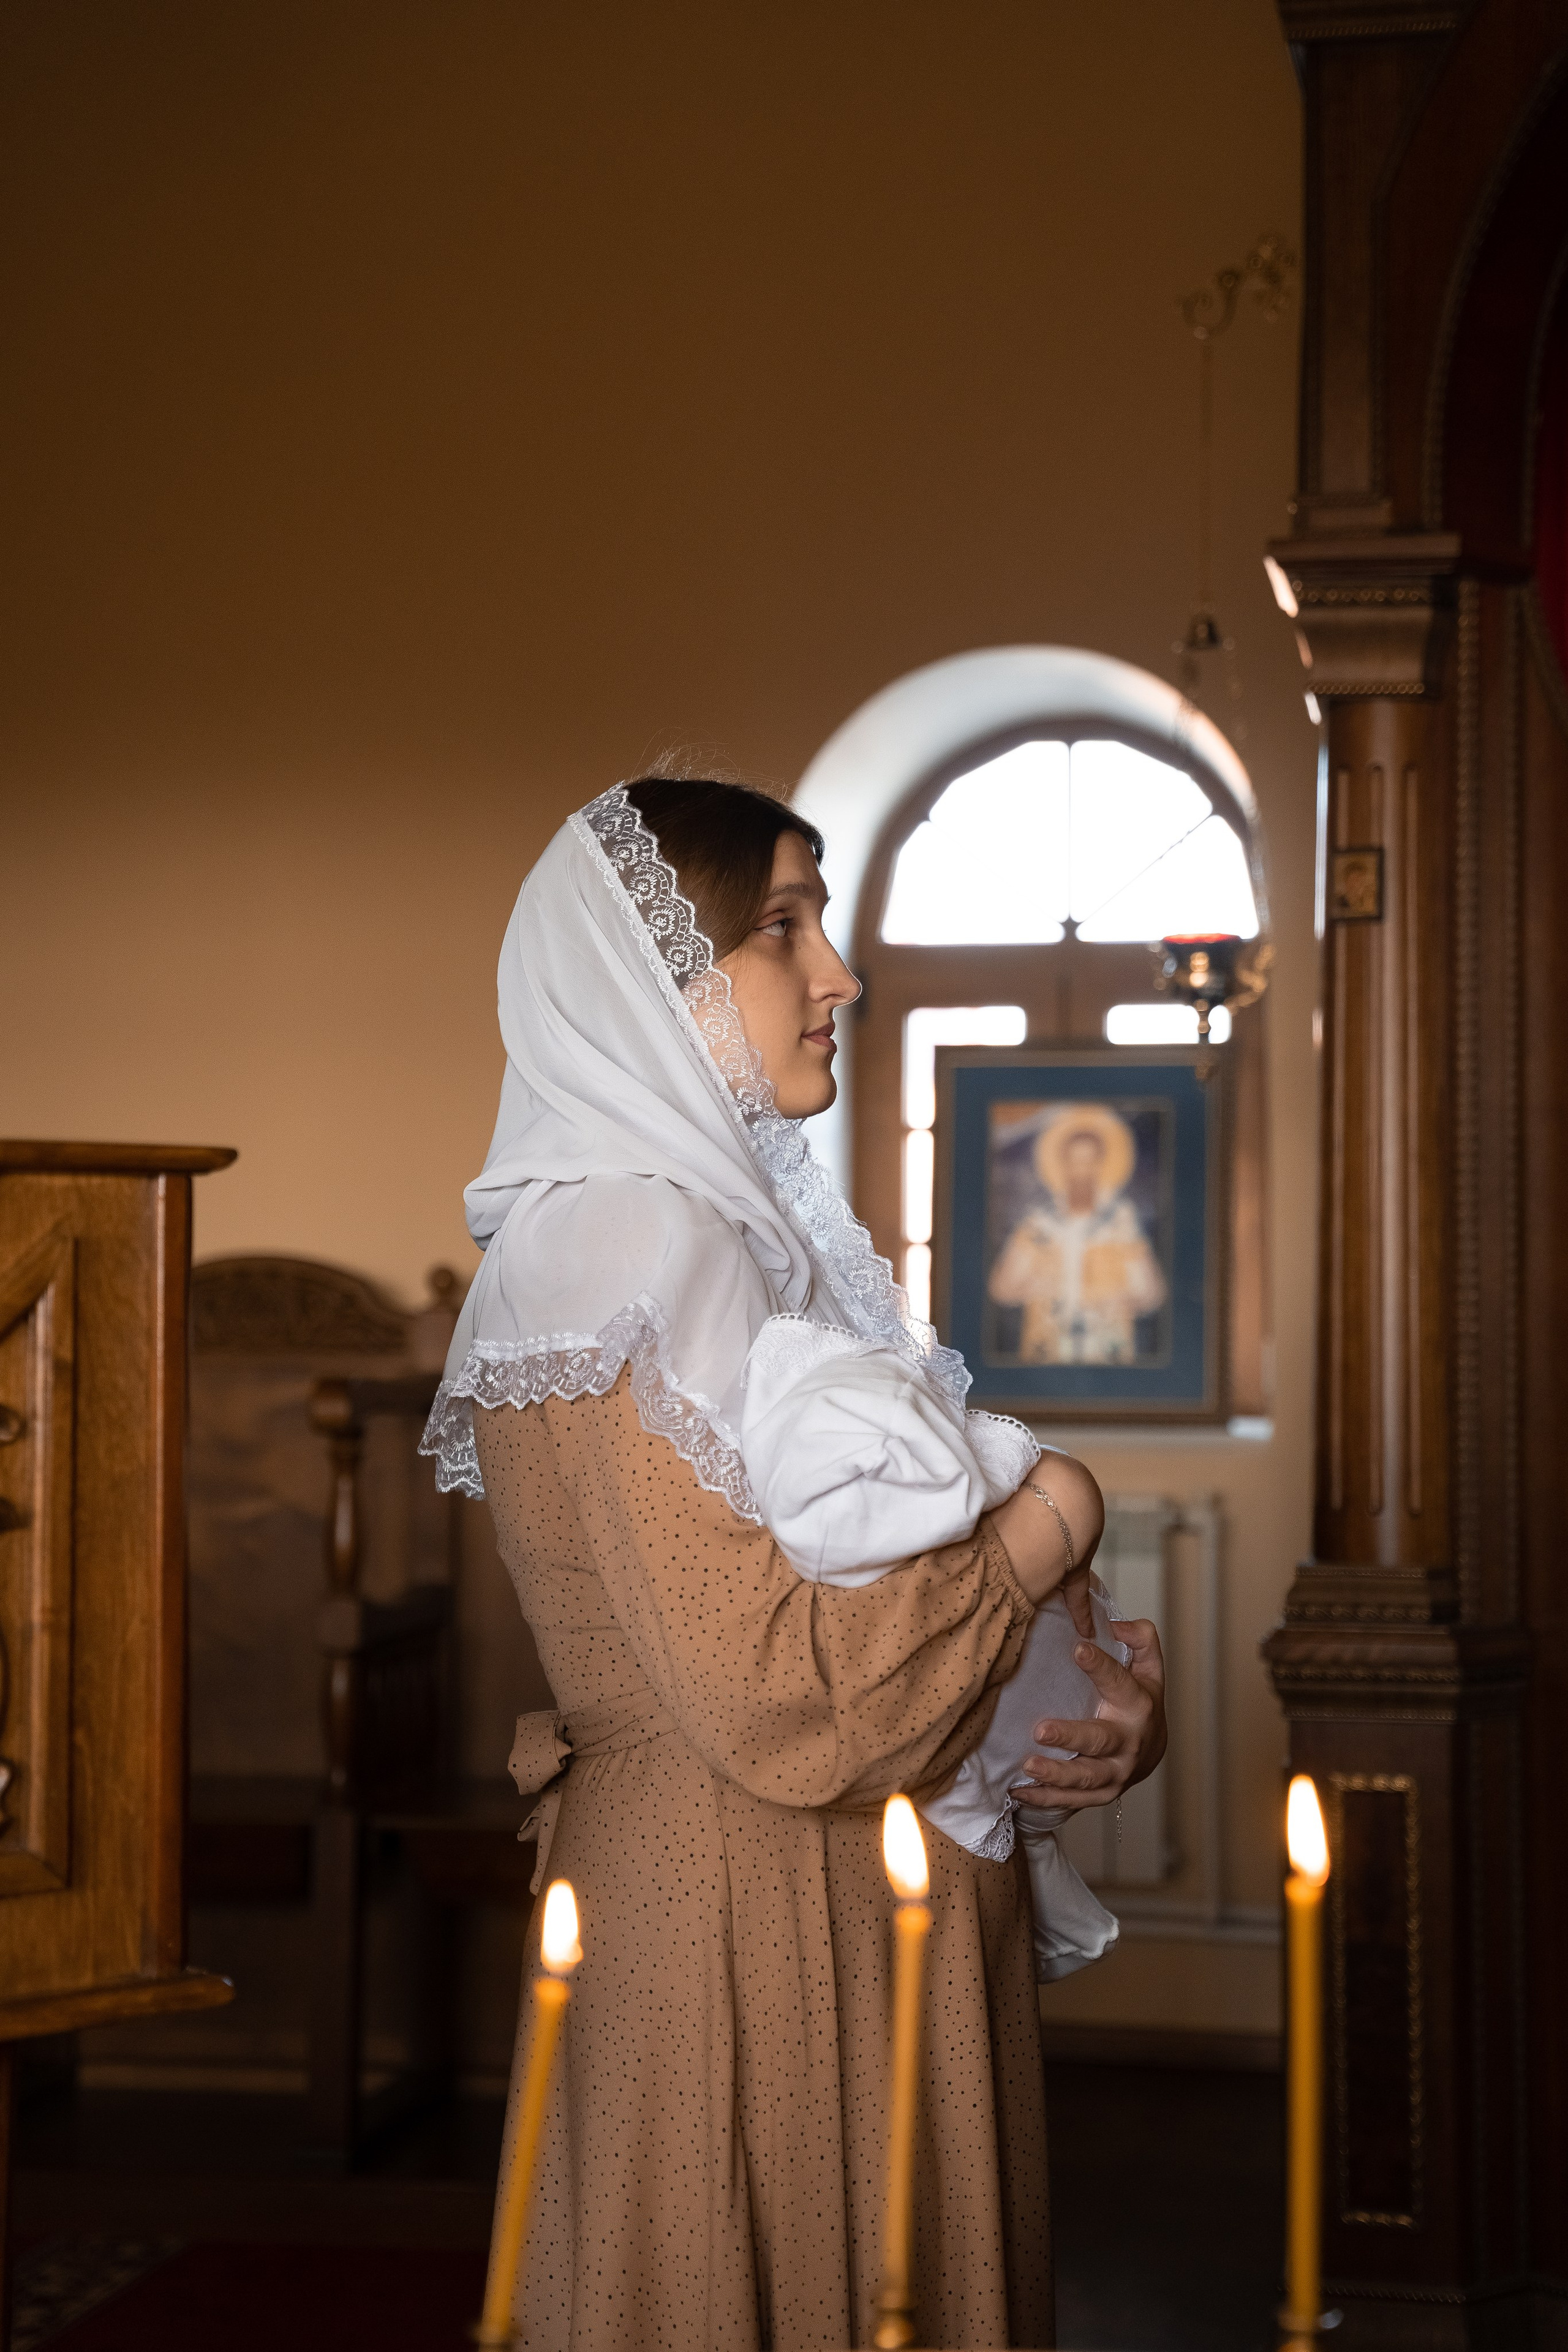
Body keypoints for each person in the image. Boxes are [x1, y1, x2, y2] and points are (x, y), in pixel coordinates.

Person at [421, 777, 1167, 2351]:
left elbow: (867, 1586)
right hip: (748, 1915)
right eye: (782, 924)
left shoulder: (711, 1225)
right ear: (651, 969)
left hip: (837, 1890)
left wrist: (1074, 1706)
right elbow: (788, 1699)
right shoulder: (622, 1236)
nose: (837, 970)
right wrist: (1056, 1516)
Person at [987, 1106, 1167, 1365]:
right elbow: (1003, 1290)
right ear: (1062, 1165)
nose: (1082, 1171)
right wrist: (1043, 1288)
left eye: (1090, 1161)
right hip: (1046, 1353)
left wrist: (1110, 1297)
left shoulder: (1122, 1226)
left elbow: (1150, 1296)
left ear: (1102, 1165)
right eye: (1074, 1161)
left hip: (1107, 1350)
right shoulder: (1038, 1225)